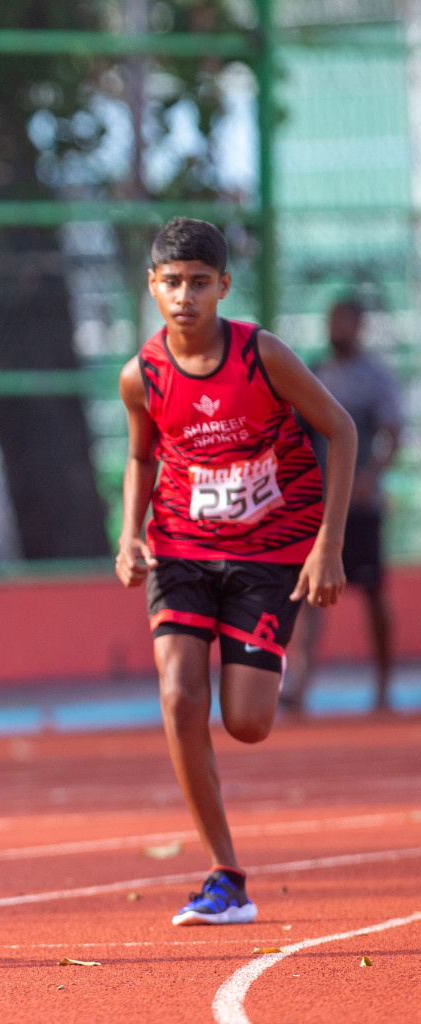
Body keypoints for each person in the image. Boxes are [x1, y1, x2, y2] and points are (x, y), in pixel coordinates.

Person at [115, 218, 355, 926]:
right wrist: (129, 534)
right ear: (152, 288)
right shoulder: (142, 374)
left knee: (247, 722)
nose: (183, 296)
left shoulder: (261, 356)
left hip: (270, 550)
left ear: (222, 286)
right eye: (170, 283)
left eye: (197, 282)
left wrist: (329, 545)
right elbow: (141, 458)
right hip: (182, 546)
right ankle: (224, 873)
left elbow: (340, 429)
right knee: (179, 694)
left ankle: (269, 655)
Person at [282, 299, 404, 713]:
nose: (337, 327)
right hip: (316, 505)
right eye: (331, 319)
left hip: (361, 506)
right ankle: (298, 686)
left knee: (372, 593)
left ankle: (385, 688)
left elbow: (394, 433)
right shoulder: (314, 371)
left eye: (345, 320)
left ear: (361, 325)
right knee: (308, 593)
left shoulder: (375, 376)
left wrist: (368, 478)